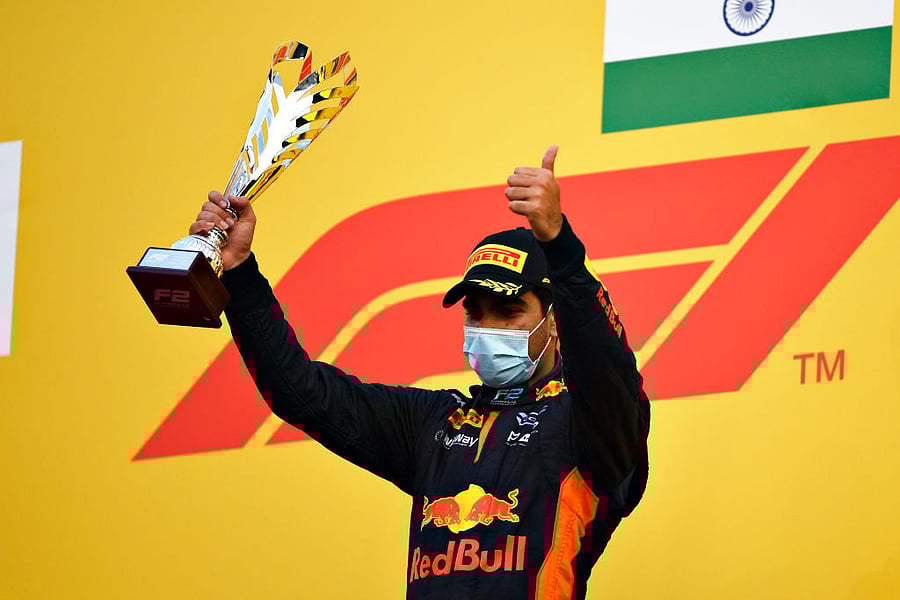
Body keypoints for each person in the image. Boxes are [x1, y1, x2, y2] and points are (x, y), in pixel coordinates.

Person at [190, 145, 650, 599]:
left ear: (555, 321)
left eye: (508, 312)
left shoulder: (587, 425)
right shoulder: (435, 421)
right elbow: (302, 392)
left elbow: (608, 372)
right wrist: (240, 274)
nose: (487, 328)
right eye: (476, 312)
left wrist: (563, 251)